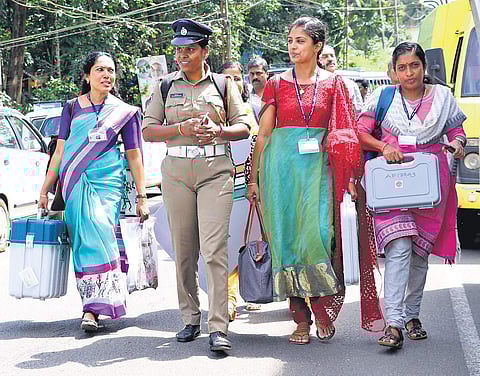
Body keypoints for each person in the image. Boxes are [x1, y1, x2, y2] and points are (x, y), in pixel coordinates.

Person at [247, 16, 384, 345]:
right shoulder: (277, 84)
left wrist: (349, 176)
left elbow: (346, 132)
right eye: (290, 40)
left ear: (317, 45)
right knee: (286, 241)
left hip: (319, 172)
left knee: (318, 238)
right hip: (281, 173)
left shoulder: (334, 83)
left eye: (300, 41)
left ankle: (321, 309)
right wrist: (254, 179)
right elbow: (264, 135)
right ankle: (301, 319)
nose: (293, 46)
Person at [142, 19, 250, 352]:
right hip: (176, 174)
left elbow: (245, 126)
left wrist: (219, 132)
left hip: (215, 172)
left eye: (189, 50)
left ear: (204, 51)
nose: (182, 56)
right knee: (184, 248)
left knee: (214, 249)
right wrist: (183, 128)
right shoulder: (164, 87)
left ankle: (219, 326)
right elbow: (148, 131)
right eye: (178, 51)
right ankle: (190, 318)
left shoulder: (222, 84)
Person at [358, 42, 466, 349]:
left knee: (420, 254)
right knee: (400, 247)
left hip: (431, 184)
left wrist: (458, 144)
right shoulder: (382, 97)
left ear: (424, 67)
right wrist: (383, 147)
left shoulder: (442, 97)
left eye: (414, 65)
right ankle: (393, 323)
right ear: (394, 71)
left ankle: (411, 315)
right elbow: (361, 131)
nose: (409, 73)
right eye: (402, 67)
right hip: (391, 184)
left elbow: (457, 131)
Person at [38, 51, 149, 332]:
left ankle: (104, 300)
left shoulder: (125, 112)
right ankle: (90, 307)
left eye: (111, 70)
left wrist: (142, 195)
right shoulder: (71, 108)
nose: (106, 75)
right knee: (83, 240)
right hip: (75, 183)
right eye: (100, 70)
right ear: (87, 75)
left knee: (100, 230)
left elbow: (135, 156)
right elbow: (60, 151)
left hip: (108, 183)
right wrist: (44, 190)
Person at [218, 61, 261, 321]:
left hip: (246, 185)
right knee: (226, 243)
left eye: (237, 78)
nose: (233, 83)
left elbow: (257, 143)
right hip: (220, 184)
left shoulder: (250, 109)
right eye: (227, 78)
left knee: (247, 240)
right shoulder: (210, 109)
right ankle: (229, 299)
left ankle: (251, 291)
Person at [319, 45, 363, 114]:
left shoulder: (350, 85)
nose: (330, 59)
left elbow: (357, 113)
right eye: (325, 57)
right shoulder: (312, 84)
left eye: (332, 56)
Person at [247, 57, 269, 122]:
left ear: (267, 74)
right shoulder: (246, 96)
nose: (255, 77)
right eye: (252, 74)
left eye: (258, 73)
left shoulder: (275, 93)